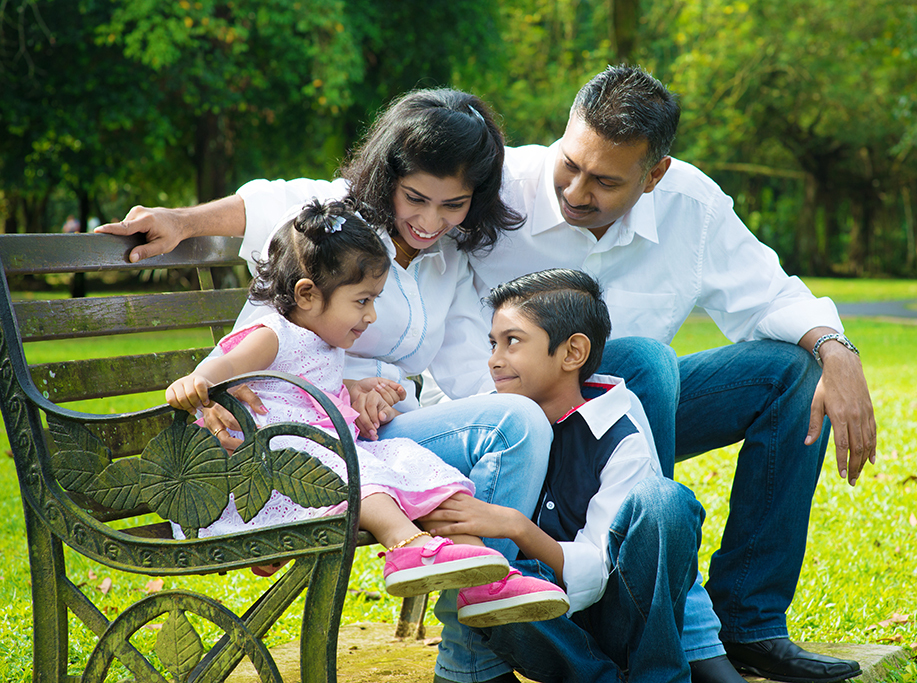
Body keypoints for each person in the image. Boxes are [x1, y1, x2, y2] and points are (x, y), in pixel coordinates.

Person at [98, 69, 875, 682]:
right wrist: (181, 221)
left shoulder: (473, 249)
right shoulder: (407, 211)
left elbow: (769, 294)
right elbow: (282, 206)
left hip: (564, 417)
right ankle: (600, 623)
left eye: (605, 181)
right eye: (571, 163)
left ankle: (723, 617)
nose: (576, 191)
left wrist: (837, 350)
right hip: (370, 424)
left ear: (654, 174)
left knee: (708, 370)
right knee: (597, 386)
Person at [101, 89, 556, 681]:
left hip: (368, 431)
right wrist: (181, 222)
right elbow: (262, 208)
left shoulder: (447, 258)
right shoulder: (335, 231)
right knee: (512, 424)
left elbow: (468, 369)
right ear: (388, 176)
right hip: (297, 438)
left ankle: (485, 583)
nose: (429, 221)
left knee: (511, 424)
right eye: (416, 198)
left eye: (453, 205)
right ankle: (470, 635)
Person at [164, 198, 570, 624]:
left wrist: (351, 388)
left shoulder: (322, 343)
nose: (371, 315)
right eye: (362, 301)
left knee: (414, 463)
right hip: (272, 469)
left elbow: (302, 387)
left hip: (322, 456)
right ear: (306, 294)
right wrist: (198, 382)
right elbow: (225, 366)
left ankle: (486, 577)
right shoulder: (273, 334)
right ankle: (406, 547)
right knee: (362, 469)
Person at [425, 268, 706, 682]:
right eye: (493, 343)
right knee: (495, 583)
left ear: (573, 352)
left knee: (665, 500)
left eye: (512, 341)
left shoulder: (619, 434)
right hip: (542, 625)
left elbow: (595, 570)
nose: (494, 359)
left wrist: (515, 526)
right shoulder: (489, 428)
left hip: (620, 615)